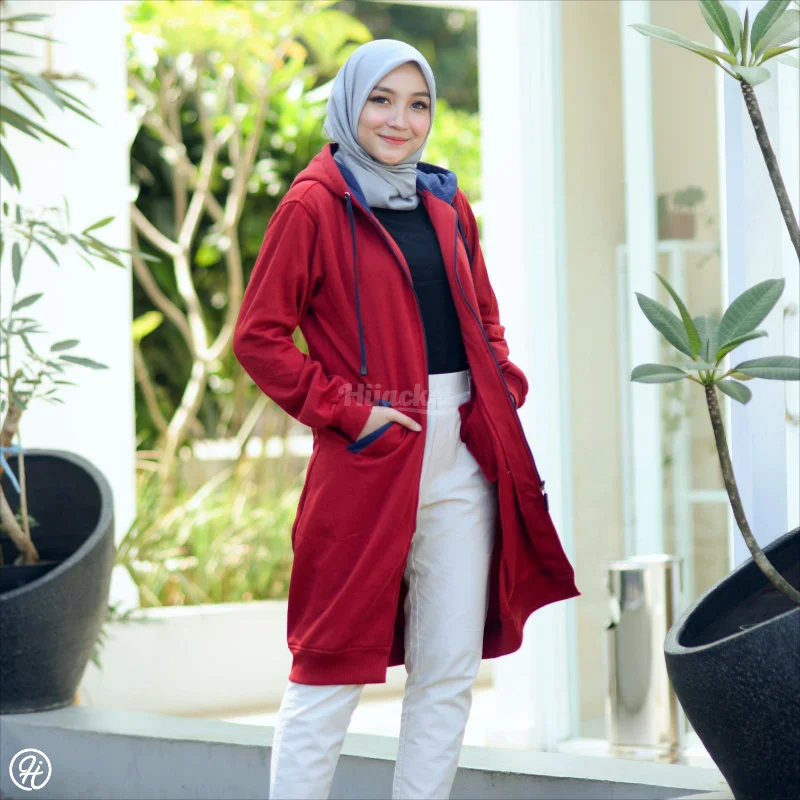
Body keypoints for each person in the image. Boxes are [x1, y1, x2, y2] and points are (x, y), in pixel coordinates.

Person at [233, 38, 580, 800]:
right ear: (349, 105)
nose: (400, 120)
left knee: (449, 669)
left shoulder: (446, 203)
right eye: (381, 100)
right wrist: (350, 414)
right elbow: (259, 337)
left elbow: (483, 314)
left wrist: (498, 383)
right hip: (371, 452)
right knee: (329, 666)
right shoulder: (313, 205)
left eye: (417, 103)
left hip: (463, 451)